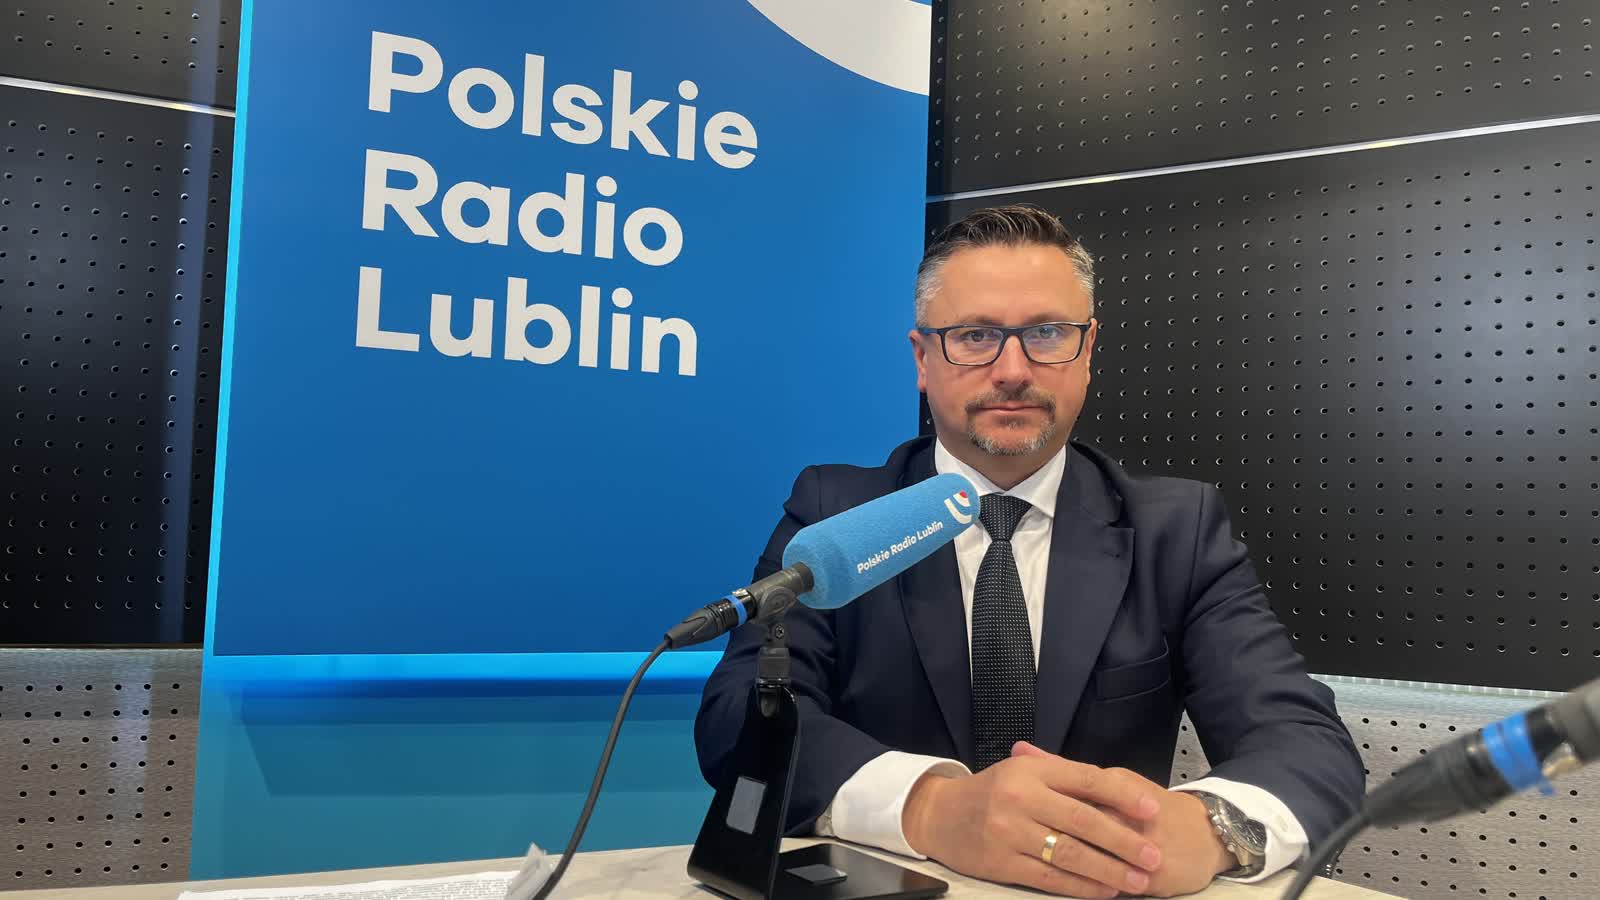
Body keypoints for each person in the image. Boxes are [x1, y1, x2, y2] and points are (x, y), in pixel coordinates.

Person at [694, 205, 1365, 898]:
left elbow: (1308, 745)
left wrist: (1212, 829)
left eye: (1046, 333)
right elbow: (737, 721)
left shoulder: (1177, 531)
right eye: (974, 336)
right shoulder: (838, 514)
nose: (1012, 370)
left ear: (1088, 350)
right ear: (923, 359)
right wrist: (932, 807)